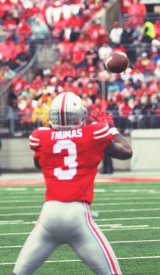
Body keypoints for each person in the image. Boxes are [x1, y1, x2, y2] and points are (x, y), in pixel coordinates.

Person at [13, 92, 132, 275]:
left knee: (19, 273)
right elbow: (126, 151)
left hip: (49, 215)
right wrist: (111, 128)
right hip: (77, 215)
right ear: (79, 115)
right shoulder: (94, 133)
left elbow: (38, 162)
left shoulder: (41, 137)